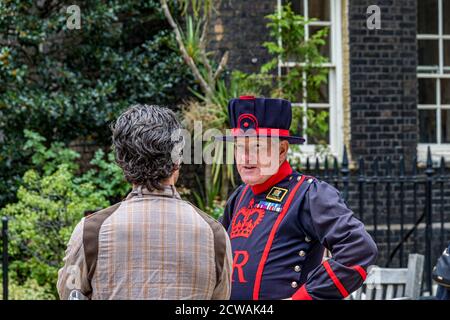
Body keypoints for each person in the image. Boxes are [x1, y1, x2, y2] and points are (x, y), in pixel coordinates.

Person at [57, 104, 232, 300]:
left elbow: (69, 293)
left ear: (121, 160)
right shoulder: (215, 234)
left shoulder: (91, 231)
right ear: (178, 160)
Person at [217, 96, 378, 300]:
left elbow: (360, 248)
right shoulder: (239, 196)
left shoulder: (310, 193)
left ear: (282, 150)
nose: (245, 157)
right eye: (239, 147)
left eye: (257, 147)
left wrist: (302, 298)